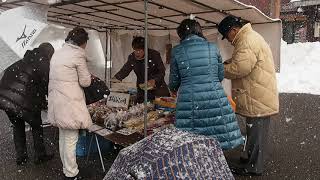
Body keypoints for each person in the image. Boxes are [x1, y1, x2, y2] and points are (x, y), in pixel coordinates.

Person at [218, 16, 279, 176]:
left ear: (234, 30)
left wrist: (220, 70)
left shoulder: (246, 40)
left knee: (256, 133)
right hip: (259, 93)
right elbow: (242, 60)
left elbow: (241, 68)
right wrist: (227, 63)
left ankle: (253, 167)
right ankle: (250, 160)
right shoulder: (249, 37)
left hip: (257, 95)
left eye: (228, 36)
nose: (229, 40)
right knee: (254, 132)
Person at [169, 19, 243, 150]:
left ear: (182, 34)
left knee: (192, 141)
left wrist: (173, 89)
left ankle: (197, 165)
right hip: (214, 96)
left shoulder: (177, 51)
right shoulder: (212, 48)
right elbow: (220, 76)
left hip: (190, 100)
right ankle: (215, 164)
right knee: (215, 135)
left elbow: (174, 80)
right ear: (199, 31)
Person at [48, 27, 92, 179]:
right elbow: (86, 82)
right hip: (69, 102)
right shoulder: (77, 55)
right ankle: (72, 173)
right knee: (71, 140)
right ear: (82, 42)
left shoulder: (58, 53)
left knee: (63, 137)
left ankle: (67, 169)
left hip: (57, 101)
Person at [0, 43, 55, 165]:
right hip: (24, 100)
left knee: (17, 125)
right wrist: (49, 100)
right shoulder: (42, 61)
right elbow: (46, 84)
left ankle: (21, 157)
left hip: (6, 100)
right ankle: (40, 155)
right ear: (49, 53)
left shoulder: (23, 59)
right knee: (36, 125)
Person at [111, 36, 170, 103]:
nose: (137, 53)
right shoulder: (132, 57)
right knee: (141, 108)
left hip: (158, 90)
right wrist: (117, 77)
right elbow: (125, 69)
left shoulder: (154, 55)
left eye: (139, 50)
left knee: (157, 110)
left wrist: (154, 80)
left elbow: (161, 71)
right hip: (142, 90)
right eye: (135, 50)